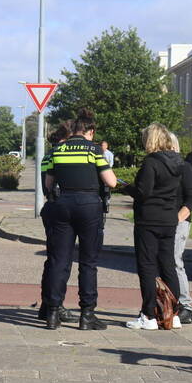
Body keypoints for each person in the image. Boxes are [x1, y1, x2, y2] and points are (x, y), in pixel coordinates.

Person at [41, 109, 118, 330]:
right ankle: (87, 315)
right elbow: (111, 182)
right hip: (88, 206)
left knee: (59, 260)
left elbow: (48, 185)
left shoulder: (58, 149)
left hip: (62, 205)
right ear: (90, 131)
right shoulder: (93, 150)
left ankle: (53, 314)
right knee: (88, 262)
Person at [124, 123, 188, 330]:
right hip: (169, 219)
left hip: (148, 219)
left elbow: (143, 192)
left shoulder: (151, 162)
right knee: (168, 265)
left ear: (150, 140)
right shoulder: (179, 162)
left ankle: (149, 315)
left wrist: (125, 187)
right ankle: (173, 313)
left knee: (147, 266)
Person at [38, 120, 76, 323]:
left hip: (51, 209)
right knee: (61, 262)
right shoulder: (58, 154)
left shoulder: (49, 154)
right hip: (60, 208)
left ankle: (47, 304)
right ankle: (55, 304)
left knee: (53, 260)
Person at [172, 135, 192, 324]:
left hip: (180, 221)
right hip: (165, 221)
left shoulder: (185, 167)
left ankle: (186, 307)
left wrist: (178, 218)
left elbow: (191, 198)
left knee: (175, 260)